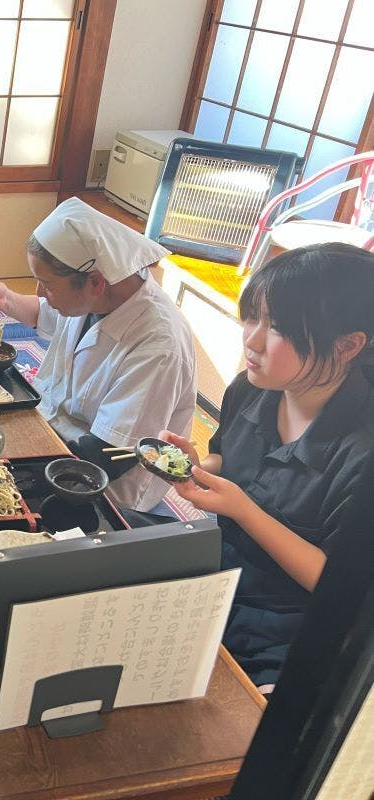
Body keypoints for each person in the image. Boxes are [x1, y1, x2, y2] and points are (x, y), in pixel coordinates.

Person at [159, 243, 374, 688]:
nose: (252, 340)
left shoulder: (362, 452)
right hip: (218, 566)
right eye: (252, 317)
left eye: (278, 328)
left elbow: (335, 583)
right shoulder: (251, 388)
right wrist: (199, 466)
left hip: (288, 621)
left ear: (348, 345)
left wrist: (244, 510)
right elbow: (229, 458)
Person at [0, 197, 196, 517]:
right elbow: (44, 312)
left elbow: (108, 455)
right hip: (52, 429)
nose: (39, 292)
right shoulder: (97, 294)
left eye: (47, 285)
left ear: (95, 282)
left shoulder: (159, 345)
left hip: (99, 481)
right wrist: (6, 299)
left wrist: (14, 460)